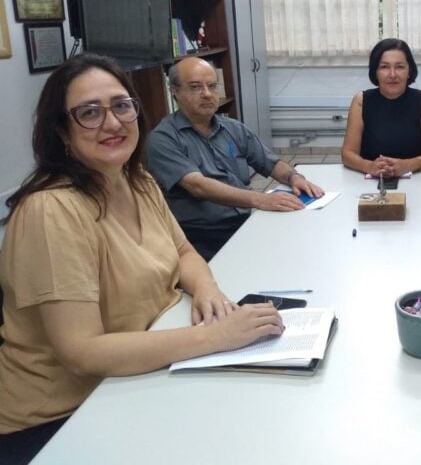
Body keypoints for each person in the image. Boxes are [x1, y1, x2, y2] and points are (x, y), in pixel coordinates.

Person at [0, 54, 284, 464]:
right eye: (89, 113)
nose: (112, 123)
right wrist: (216, 337)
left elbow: (183, 251)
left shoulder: (137, 180)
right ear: (61, 130)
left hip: (138, 378)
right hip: (60, 418)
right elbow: (82, 353)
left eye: (121, 105)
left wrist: (207, 289)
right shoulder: (52, 211)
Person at [148, 57, 324, 261]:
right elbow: (198, 186)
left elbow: (271, 163)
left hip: (246, 221)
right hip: (202, 238)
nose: (207, 94)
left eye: (212, 86)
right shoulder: (162, 139)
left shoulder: (232, 127)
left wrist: (295, 177)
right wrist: (260, 199)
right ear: (175, 91)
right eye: (196, 87)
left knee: (307, 243)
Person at [341, 38, 421, 177]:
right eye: (384, 67)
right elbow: (347, 154)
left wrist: (407, 165)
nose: (392, 75)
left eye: (400, 67)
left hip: (418, 178)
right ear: (375, 71)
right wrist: (369, 166)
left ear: (409, 70)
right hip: (371, 181)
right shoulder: (361, 100)